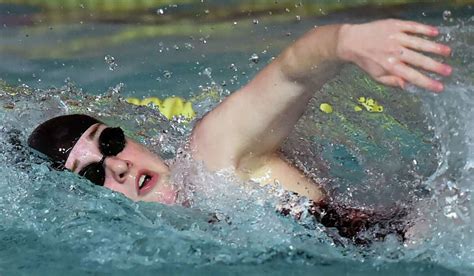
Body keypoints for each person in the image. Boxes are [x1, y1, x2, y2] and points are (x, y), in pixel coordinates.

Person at [28, 19, 452, 242]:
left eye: (111, 141)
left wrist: (345, 41)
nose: (118, 165)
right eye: (92, 175)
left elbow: (292, 73)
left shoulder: (214, 157)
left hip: (433, 234)